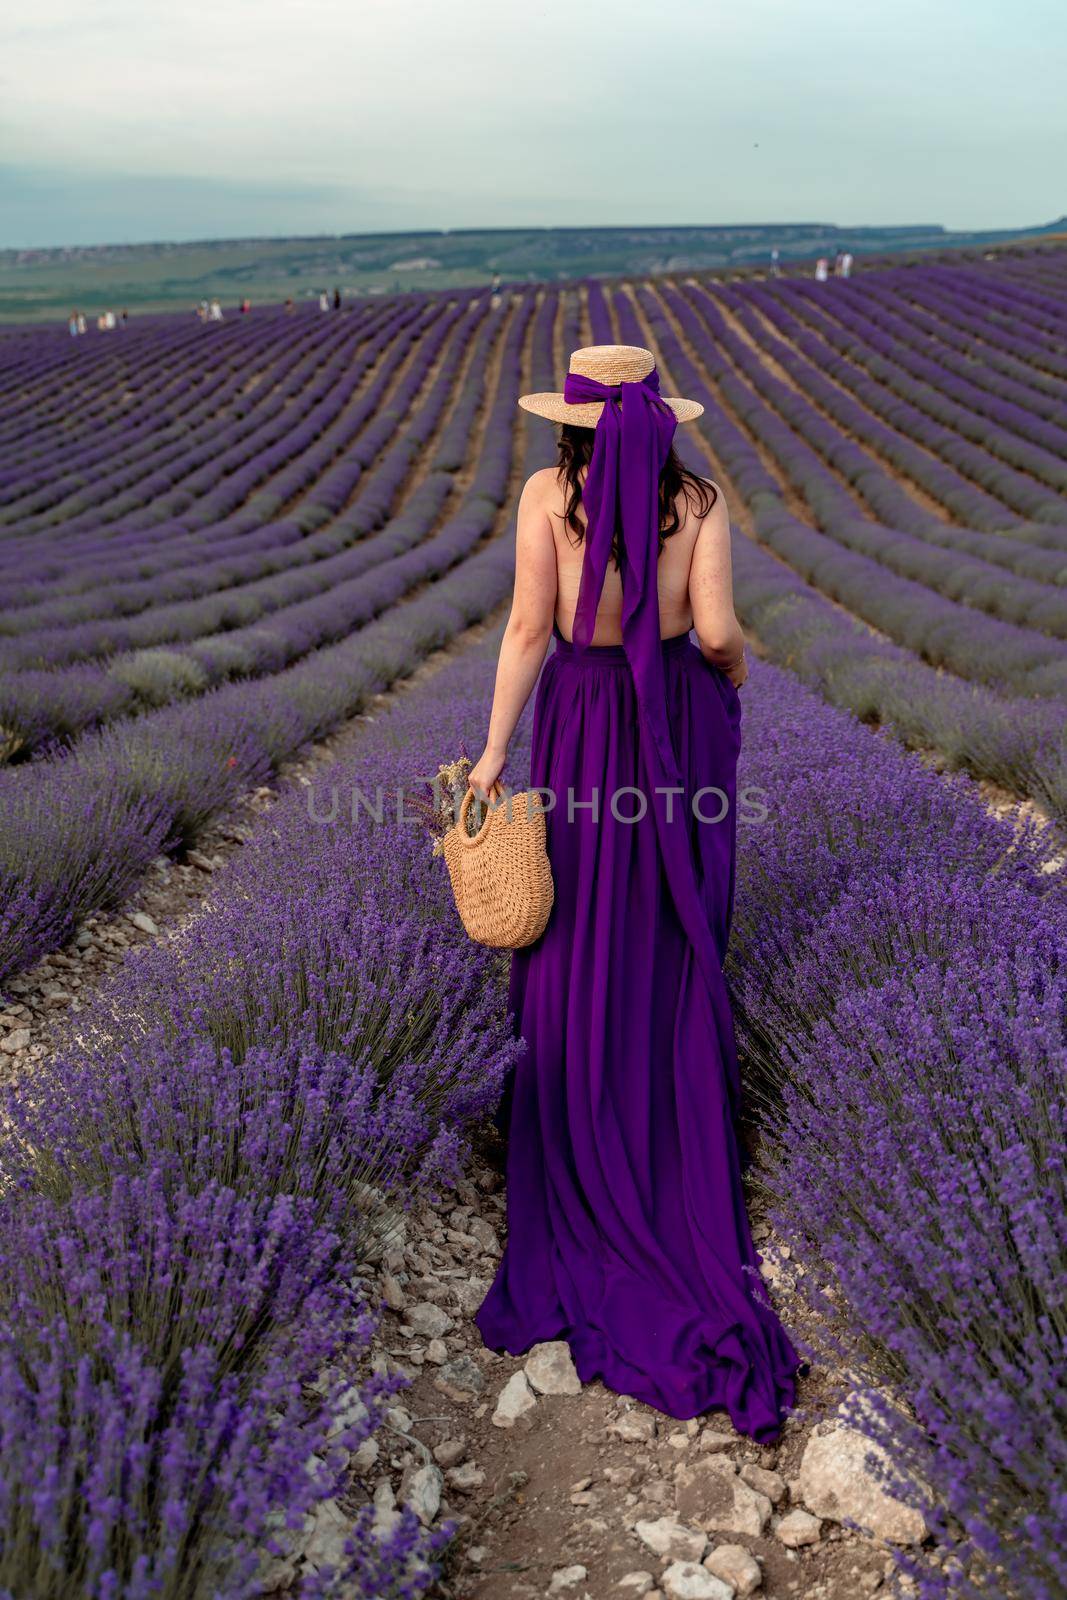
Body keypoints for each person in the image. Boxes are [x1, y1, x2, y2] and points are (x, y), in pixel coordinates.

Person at [468, 345, 801, 1439]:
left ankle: (576, 1130)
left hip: (578, 723)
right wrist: (737, 667)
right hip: (672, 732)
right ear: (658, 417)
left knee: (569, 925)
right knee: (666, 924)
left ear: (567, 420)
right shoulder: (696, 499)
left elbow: (526, 630)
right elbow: (709, 633)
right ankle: (667, 1123)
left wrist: (487, 760)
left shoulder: (542, 495)